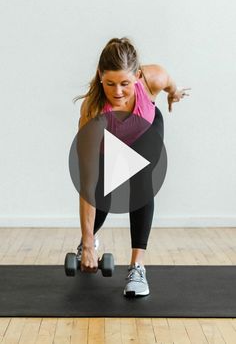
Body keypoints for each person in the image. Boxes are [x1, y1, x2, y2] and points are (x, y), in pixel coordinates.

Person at [73, 37, 190, 296]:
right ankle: (87, 241)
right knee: (103, 188)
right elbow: (88, 182)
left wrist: (174, 94)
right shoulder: (92, 111)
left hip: (145, 128)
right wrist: (89, 243)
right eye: (110, 83)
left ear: (137, 76)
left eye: (125, 84)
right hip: (111, 138)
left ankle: (138, 267)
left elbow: (170, 85)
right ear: (100, 76)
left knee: (141, 177)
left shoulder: (153, 78)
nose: (117, 92)